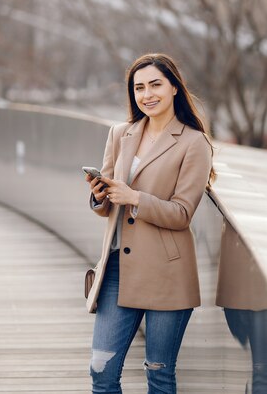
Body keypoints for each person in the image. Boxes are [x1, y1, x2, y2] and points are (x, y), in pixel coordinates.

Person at [84, 53, 215, 394]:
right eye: (139, 88)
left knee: (158, 374)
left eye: (155, 84)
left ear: (174, 87)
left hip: (167, 274)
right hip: (117, 269)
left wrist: (135, 198)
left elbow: (182, 213)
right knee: (101, 372)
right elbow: (109, 205)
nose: (147, 94)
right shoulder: (120, 133)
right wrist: (101, 196)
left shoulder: (193, 143)